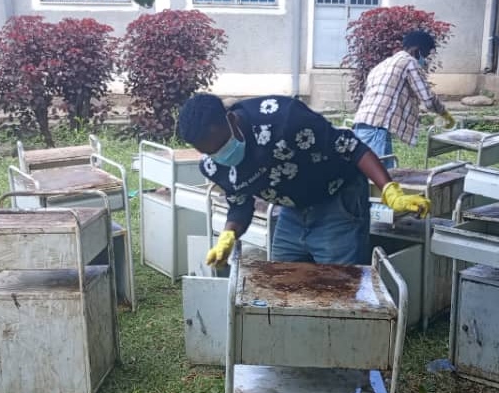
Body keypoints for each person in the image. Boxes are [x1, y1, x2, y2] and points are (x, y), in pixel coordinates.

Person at [177, 93, 432, 266]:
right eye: (210, 152)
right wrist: (228, 236)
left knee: (339, 286)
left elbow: (350, 146)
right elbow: (240, 205)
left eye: (222, 145)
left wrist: (390, 190)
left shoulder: (283, 119)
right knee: (283, 283)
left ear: (231, 120)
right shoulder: (214, 166)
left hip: (337, 199)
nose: (221, 155)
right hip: (292, 210)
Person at [352, 30, 453, 165]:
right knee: (381, 175)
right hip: (377, 131)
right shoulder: (409, 62)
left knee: (365, 174)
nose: (425, 60)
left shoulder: (382, 65)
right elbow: (428, 99)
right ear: (416, 50)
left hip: (360, 127)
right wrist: (445, 115)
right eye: (425, 55)